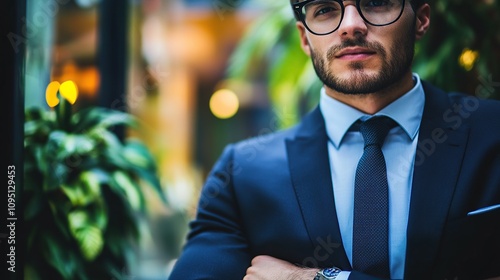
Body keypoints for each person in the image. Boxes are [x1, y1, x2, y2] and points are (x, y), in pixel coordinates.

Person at [169, 0, 500, 279]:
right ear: (304, 37)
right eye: (325, 9)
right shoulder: (241, 174)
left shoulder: (493, 132)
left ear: (421, 20)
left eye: (376, 2)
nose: (351, 26)